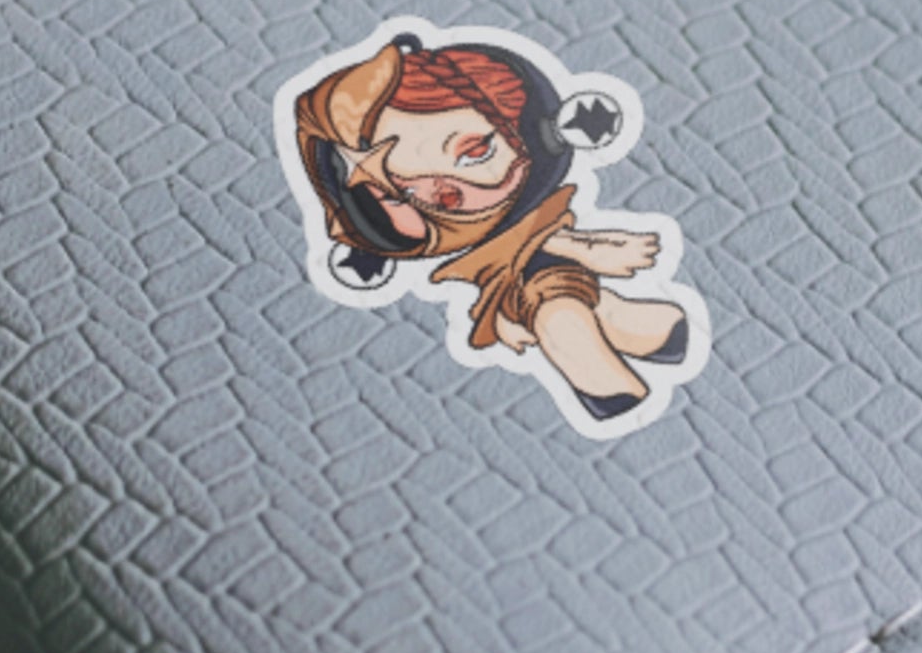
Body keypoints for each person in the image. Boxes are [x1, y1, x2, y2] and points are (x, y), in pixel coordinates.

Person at [288, 30, 694, 425]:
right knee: (574, 310)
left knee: (562, 312)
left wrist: (583, 249)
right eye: (402, 193)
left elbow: (539, 239)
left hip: (543, 281)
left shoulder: (531, 210)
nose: (446, 195)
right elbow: (505, 265)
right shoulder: (472, 249)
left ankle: (632, 373)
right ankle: (648, 353)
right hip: (531, 287)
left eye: (473, 152)